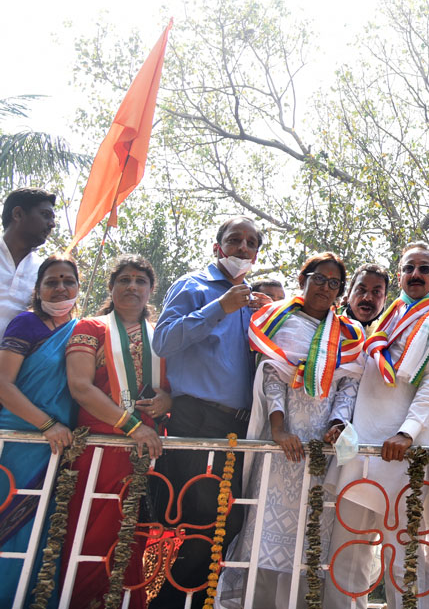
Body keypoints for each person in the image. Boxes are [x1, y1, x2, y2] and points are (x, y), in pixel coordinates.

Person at [328, 242, 429, 609]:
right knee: (347, 551)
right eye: (409, 268)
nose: (416, 275)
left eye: (425, 269)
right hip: (361, 445)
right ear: (400, 275)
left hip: (402, 449)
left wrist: (408, 432)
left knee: (403, 558)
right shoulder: (388, 316)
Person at [216, 252, 364, 607]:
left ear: (340, 292)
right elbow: (272, 377)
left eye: (334, 283)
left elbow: (349, 385)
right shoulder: (280, 321)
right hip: (281, 445)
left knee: (311, 537)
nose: (325, 288)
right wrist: (279, 430)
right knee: (263, 532)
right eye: (319, 278)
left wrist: (337, 423)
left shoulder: (348, 333)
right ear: (303, 280)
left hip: (322, 451)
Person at [150, 216, 271, 606]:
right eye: (234, 240)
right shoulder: (192, 286)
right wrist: (219, 306)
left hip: (239, 427)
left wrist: (272, 316)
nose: (243, 248)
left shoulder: (253, 300)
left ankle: (196, 600)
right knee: (203, 523)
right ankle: (169, 602)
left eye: (251, 242)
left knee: (226, 524)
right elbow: (164, 342)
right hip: (196, 418)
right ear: (218, 247)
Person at [64, 254, 170, 609]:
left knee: (134, 538)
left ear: (151, 290)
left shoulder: (161, 337)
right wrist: (131, 426)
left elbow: (169, 390)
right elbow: (80, 387)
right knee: (90, 533)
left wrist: (166, 400)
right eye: (124, 279)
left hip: (145, 453)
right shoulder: (91, 328)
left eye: (141, 281)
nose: (132, 287)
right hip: (99, 450)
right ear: (111, 287)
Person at [0, 254, 79, 605]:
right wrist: (46, 425)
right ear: (38, 289)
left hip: (57, 448)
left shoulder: (82, 331)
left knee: (41, 537)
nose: (61, 288)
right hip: (16, 443)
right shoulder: (26, 324)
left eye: (68, 281)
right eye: (52, 281)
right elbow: (3, 385)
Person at [0, 188, 56, 337]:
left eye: (53, 218)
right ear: (18, 214)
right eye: (45, 215)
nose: (52, 224)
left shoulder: (44, 271)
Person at [343, 263, 390, 328]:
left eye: (376, 292)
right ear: (349, 294)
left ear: (384, 300)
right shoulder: (327, 322)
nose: (367, 298)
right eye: (361, 289)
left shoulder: (390, 333)